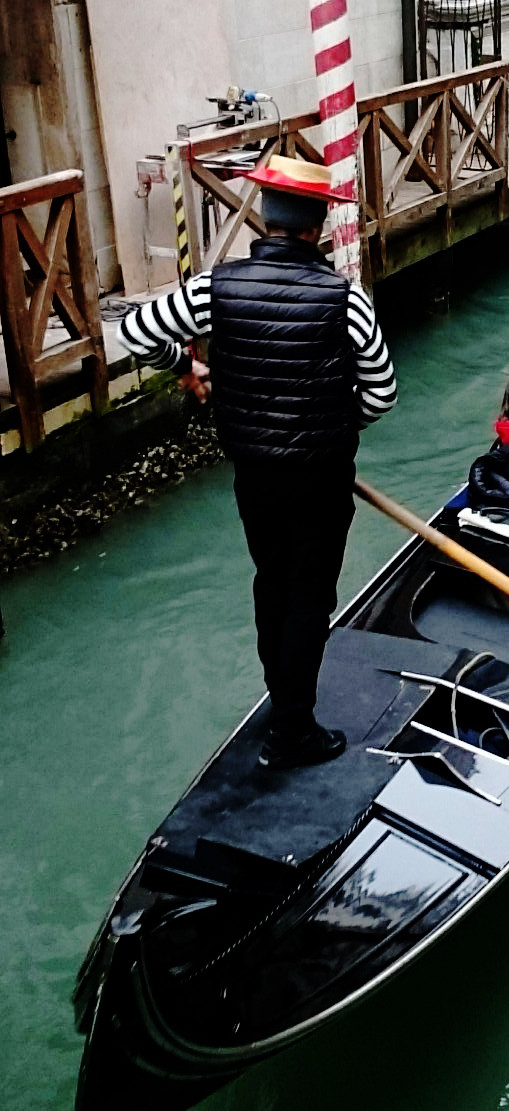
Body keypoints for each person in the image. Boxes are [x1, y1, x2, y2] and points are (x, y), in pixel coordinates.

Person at [118, 154, 396, 771]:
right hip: (321, 478)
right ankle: (293, 731)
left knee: (272, 583)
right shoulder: (345, 299)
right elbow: (382, 393)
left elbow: (134, 332)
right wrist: (335, 425)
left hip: (254, 475)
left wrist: (185, 367)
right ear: (318, 228)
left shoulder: (214, 288)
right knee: (309, 597)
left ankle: (282, 701)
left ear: (266, 221)